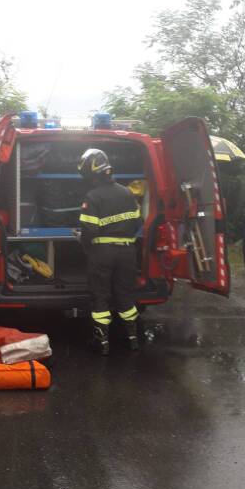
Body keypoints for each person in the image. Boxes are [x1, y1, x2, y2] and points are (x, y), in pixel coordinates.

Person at [78, 148, 142, 354]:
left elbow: (89, 229)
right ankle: (132, 339)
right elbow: (137, 221)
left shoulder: (92, 196)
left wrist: (85, 245)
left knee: (100, 294)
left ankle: (102, 342)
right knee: (125, 295)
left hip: (102, 252)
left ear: (91, 173)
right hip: (127, 252)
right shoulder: (127, 192)